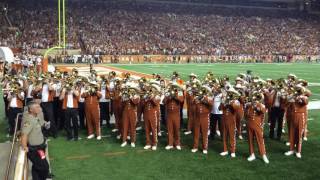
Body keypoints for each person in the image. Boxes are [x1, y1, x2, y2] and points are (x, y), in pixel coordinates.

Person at [21, 101, 50, 180]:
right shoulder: (29, 120)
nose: (39, 108)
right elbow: (24, 134)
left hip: (40, 147)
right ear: (31, 110)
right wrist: (24, 147)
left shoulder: (36, 117)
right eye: (37, 107)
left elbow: (41, 124)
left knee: (36, 167)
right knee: (44, 167)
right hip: (34, 150)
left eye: (39, 107)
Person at [285, 86, 308, 158]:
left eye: (299, 90)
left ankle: (298, 151)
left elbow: (304, 102)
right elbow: (287, 100)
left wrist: (300, 95)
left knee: (299, 135)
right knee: (292, 133)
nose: (297, 91)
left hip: (300, 117)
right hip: (293, 116)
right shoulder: (294, 97)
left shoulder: (304, 97)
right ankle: (291, 149)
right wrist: (293, 95)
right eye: (297, 90)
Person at [245, 93, 269, 163]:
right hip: (249, 124)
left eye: (256, 98)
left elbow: (263, 111)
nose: (254, 100)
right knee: (250, 140)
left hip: (257, 125)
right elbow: (246, 113)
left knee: (260, 140)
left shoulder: (261, 105)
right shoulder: (249, 105)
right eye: (253, 98)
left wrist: (257, 105)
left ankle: (263, 155)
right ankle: (252, 154)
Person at [191, 87, 213, 154]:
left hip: (205, 118)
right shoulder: (197, 97)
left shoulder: (209, 98)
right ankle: (195, 147)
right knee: (196, 133)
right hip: (197, 118)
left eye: (205, 91)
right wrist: (197, 98)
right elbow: (192, 103)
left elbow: (211, 104)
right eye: (203, 91)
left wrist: (204, 98)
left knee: (204, 133)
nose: (202, 92)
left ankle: (205, 148)